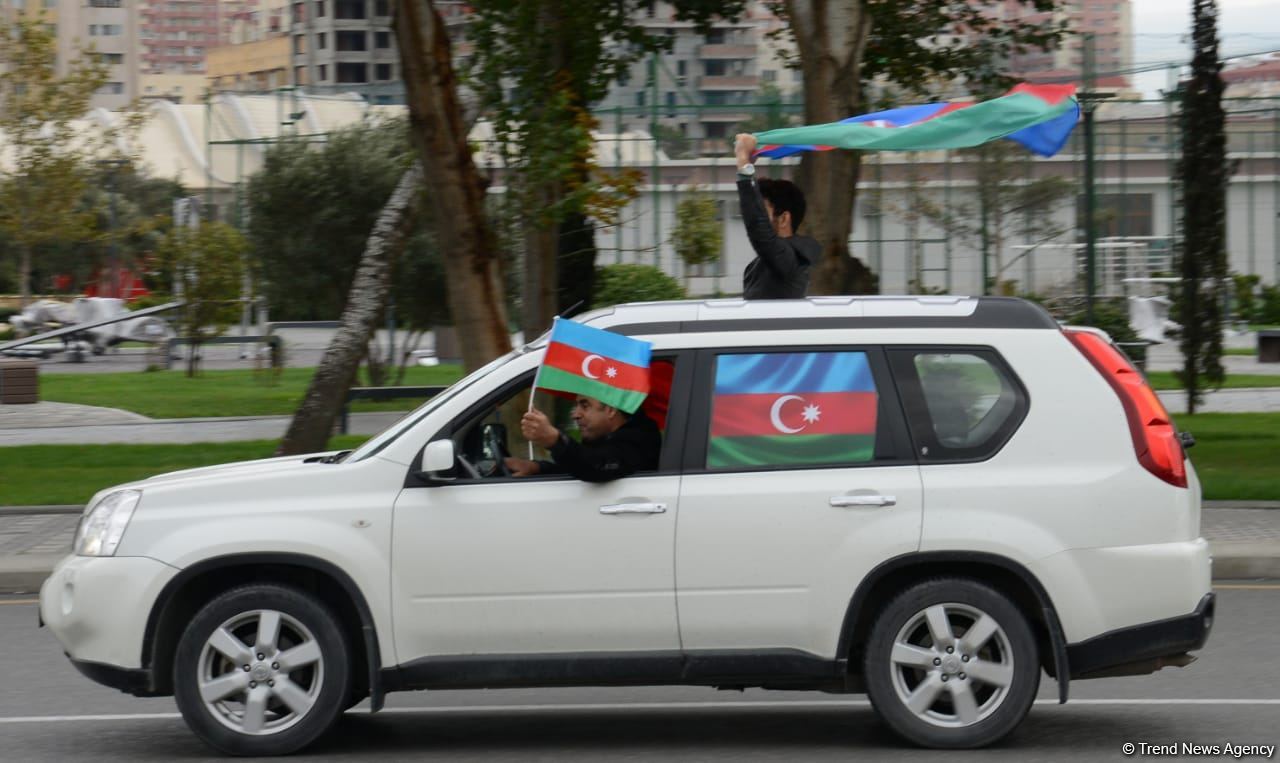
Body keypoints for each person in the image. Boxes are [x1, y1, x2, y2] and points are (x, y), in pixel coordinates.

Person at [734, 132, 820, 299]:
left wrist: (744, 164)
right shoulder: (764, 263)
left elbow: (759, 230)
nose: (756, 214)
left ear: (783, 219)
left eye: (763, 210)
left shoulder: (790, 259)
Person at [503, 395, 661, 483]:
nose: (575, 414)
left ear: (611, 410)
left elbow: (595, 466)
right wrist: (536, 468)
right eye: (576, 406)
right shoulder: (606, 439)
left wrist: (555, 441)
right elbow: (575, 469)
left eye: (585, 406)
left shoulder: (638, 440)